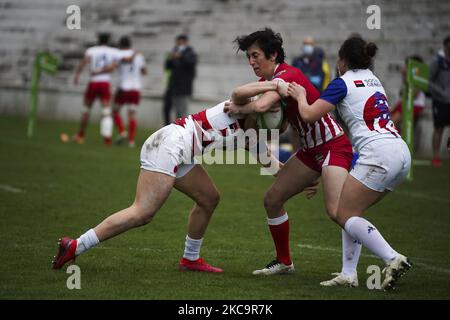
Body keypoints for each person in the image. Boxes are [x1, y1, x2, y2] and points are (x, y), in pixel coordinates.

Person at [52, 79, 316, 273]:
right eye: (265, 116)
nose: (262, 123)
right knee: (143, 212)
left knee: (209, 198)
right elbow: (237, 91)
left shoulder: (254, 136)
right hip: (170, 144)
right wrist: (275, 84)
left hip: (181, 152)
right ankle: (75, 245)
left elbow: (276, 170)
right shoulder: (239, 105)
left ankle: (190, 259)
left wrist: (304, 178)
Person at [225, 28, 354, 277]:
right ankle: (284, 262)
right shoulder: (269, 83)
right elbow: (288, 125)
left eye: (255, 56)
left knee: (339, 212)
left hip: (332, 145)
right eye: (248, 57)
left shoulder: (287, 75)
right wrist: (303, 163)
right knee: (272, 199)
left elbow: (262, 106)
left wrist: (238, 109)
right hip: (310, 151)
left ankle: (388, 256)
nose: (251, 62)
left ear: (273, 54)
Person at [287, 36, 412, 290]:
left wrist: (300, 96)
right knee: (351, 213)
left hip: (378, 154)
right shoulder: (374, 80)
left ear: (342, 61)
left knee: (342, 213)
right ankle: (348, 273)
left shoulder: (341, 83)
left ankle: (392, 258)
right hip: (400, 152)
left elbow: (309, 115)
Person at [72, 32, 120, 145]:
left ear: (98, 40)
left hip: (93, 83)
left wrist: (77, 75)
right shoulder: (113, 51)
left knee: (86, 110)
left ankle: (80, 135)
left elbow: (83, 63)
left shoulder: (91, 50)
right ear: (108, 40)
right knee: (106, 111)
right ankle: (107, 140)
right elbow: (113, 67)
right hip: (104, 83)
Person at [111, 36, 147, 148]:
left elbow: (116, 65)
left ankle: (122, 131)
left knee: (115, 111)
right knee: (132, 114)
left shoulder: (118, 53)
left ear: (120, 44)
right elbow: (144, 71)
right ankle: (131, 141)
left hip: (124, 87)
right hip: (136, 88)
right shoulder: (139, 55)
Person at [163, 34, 197, 124]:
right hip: (173, 87)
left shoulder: (190, 53)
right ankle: (169, 129)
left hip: (184, 88)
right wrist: (170, 58)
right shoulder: (174, 53)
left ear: (184, 42)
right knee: (171, 110)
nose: (178, 44)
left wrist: (180, 56)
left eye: (180, 42)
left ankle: (182, 132)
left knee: (182, 112)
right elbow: (167, 67)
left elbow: (190, 63)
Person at [390, 55, 426, 133]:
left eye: (406, 65)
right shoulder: (406, 78)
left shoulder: (417, 77)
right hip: (405, 103)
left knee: (394, 120)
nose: (404, 68)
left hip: (415, 104)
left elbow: (413, 95)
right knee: (389, 114)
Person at [429, 35, 450, 167]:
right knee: (439, 128)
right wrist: (440, 93)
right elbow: (429, 80)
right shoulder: (437, 61)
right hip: (440, 100)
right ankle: (436, 156)